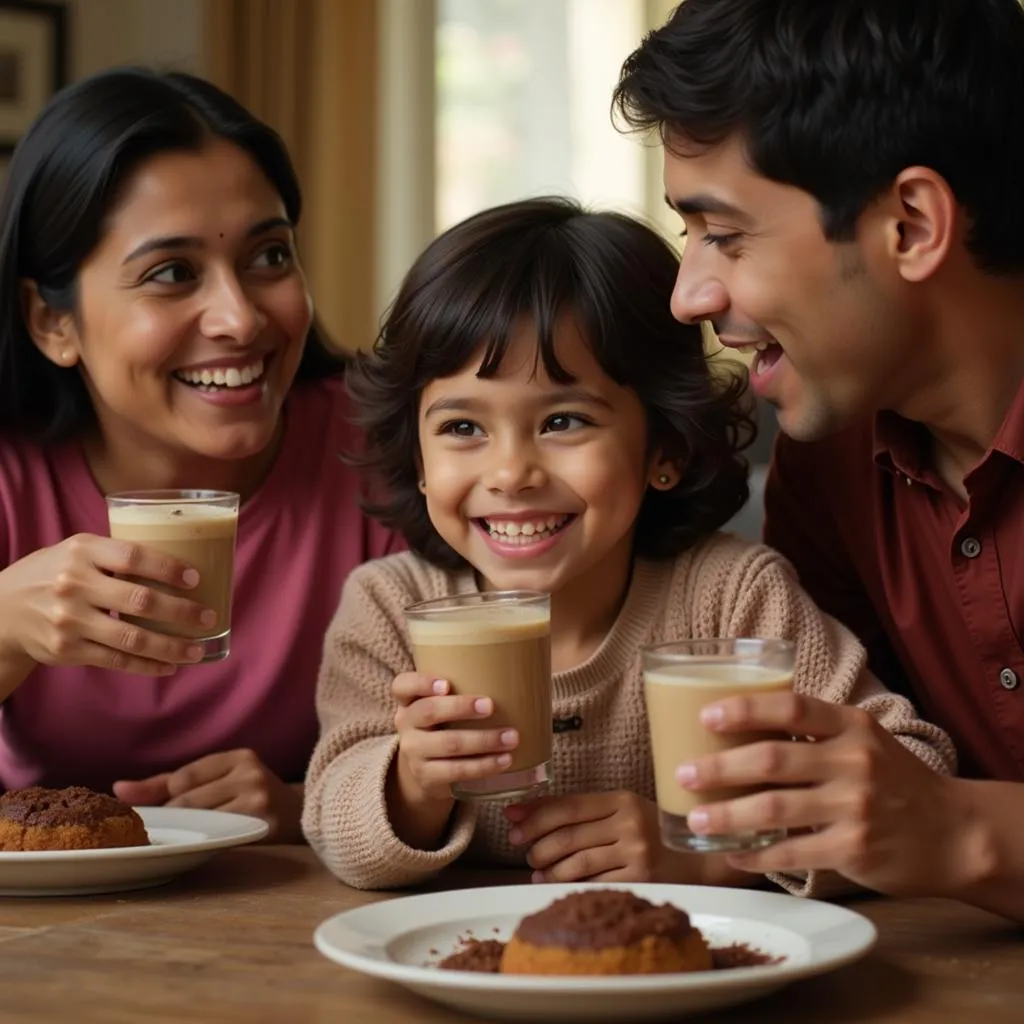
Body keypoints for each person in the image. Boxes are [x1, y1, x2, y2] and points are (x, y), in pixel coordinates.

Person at [301, 197, 953, 891]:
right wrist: (412, 784)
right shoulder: (392, 609)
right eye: (463, 429)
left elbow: (914, 779)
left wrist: (709, 856)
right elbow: (335, 827)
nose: (511, 474)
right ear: (419, 461)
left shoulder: (731, 598)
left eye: (562, 421)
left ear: (662, 447)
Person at [612, 0, 1024, 921]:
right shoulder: (831, 457)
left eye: (725, 233)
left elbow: (919, 812)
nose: (689, 296)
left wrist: (961, 830)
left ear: (912, 225)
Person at [0, 68, 400, 840]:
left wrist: (308, 808)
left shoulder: (387, 448)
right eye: (172, 273)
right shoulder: (13, 473)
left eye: (270, 256)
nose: (240, 318)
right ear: (52, 323)